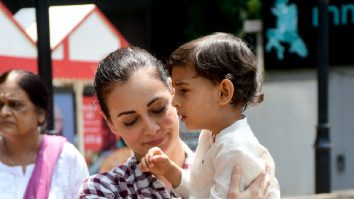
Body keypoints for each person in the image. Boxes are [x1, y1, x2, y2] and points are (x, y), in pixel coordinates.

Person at [79, 46, 271, 199]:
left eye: (158, 108)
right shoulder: (103, 191)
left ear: (173, 91)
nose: (151, 128)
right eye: (131, 121)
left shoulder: (225, 157)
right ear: (110, 123)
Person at [140, 32, 280, 198]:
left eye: (184, 90)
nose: (174, 101)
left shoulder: (232, 148)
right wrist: (170, 170)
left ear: (224, 92)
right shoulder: (211, 135)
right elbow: (199, 193)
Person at [0, 70, 89, 199]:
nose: (4, 112)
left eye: (15, 104)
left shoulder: (65, 157)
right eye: (0, 105)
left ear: (41, 114)